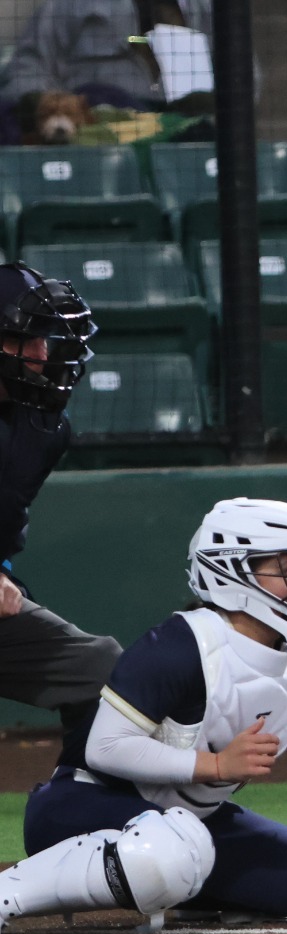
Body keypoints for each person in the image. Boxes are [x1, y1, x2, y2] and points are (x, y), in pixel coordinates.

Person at [0, 498, 287, 931]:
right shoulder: (179, 646)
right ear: (234, 573)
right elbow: (105, 748)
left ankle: (178, 890)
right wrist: (216, 767)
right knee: (172, 848)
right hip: (76, 810)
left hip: (186, 828)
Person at [0, 262, 122, 769]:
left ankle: (82, 807)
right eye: (24, 340)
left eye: (45, 340)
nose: (40, 354)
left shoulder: (43, 428)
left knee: (104, 670)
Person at [0, 0, 215, 118]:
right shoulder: (68, 6)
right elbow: (25, 74)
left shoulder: (210, 9)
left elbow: (244, 82)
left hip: (191, 139)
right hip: (97, 143)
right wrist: (56, 108)